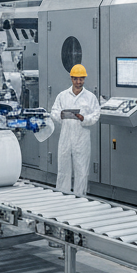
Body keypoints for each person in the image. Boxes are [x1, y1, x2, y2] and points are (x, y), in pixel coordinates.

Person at [50, 64, 101, 197]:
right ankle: (62, 195)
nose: (79, 82)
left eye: (81, 79)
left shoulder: (90, 97)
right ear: (71, 79)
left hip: (82, 137)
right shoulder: (62, 96)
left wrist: (84, 118)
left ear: (84, 79)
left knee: (82, 169)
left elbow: (96, 114)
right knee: (63, 168)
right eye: (76, 79)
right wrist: (61, 115)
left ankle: (80, 196)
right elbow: (54, 111)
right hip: (66, 136)